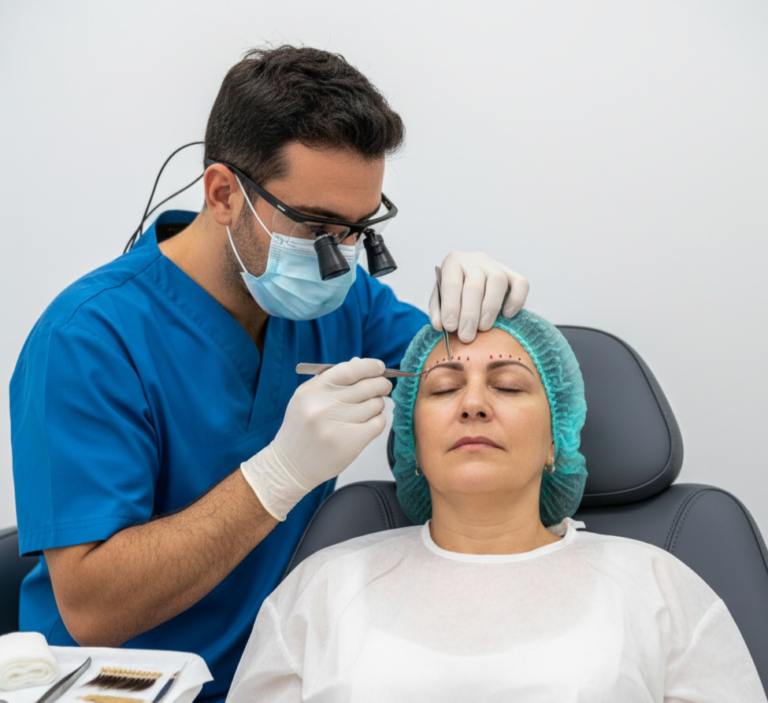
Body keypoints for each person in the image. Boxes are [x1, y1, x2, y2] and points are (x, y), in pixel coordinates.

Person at [9, 46, 528, 701]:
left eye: (355, 229)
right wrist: (276, 477)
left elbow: (463, 377)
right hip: (131, 686)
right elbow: (93, 610)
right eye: (316, 225)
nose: (341, 258)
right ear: (224, 193)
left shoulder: (347, 301)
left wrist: (490, 322)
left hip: (284, 672)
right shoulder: (88, 339)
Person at [227, 310, 766, 702]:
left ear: (557, 438)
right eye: (442, 390)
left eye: (507, 385)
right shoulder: (323, 586)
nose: (475, 404)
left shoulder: (658, 584)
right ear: (411, 443)